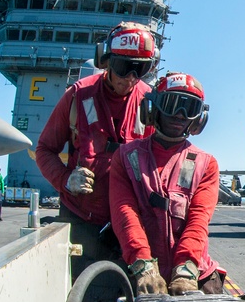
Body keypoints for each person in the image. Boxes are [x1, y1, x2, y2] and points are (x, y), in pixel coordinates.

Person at [35, 22, 157, 279]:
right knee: (78, 293)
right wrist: (66, 180)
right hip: (81, 219)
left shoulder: (149, 102)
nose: (131, 78)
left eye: (141, 69)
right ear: (106, 60)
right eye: (124, 68)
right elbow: (45, 150)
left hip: (129, 223)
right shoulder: (78, 96)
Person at [109, 72, 225, 296]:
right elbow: (125, 213)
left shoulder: (206, 164)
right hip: (139, 271)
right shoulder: (125, 157)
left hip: (193, 274)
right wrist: (143, 265)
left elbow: (199, 219)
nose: (180, 115)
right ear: (153, 109)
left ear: (198, 118)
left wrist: (186, 267)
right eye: (172, 105)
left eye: (189, 108)